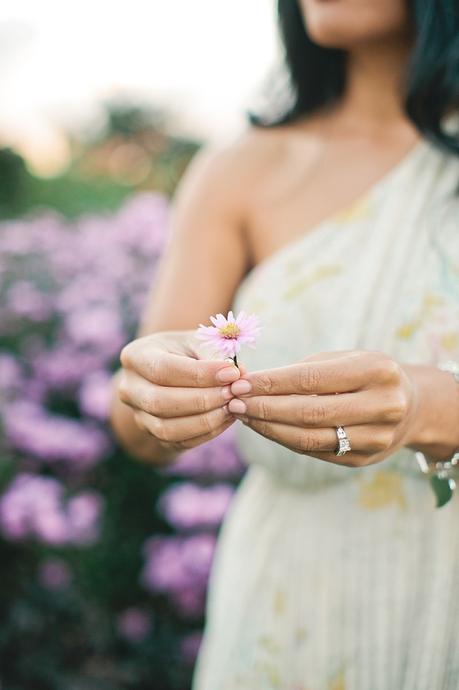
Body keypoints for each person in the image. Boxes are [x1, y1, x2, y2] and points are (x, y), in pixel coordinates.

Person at [109, 1, 459, 687]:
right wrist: (154, 390)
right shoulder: (240, 169)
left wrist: (426, 408)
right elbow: (134, 426)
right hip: (286, 599)